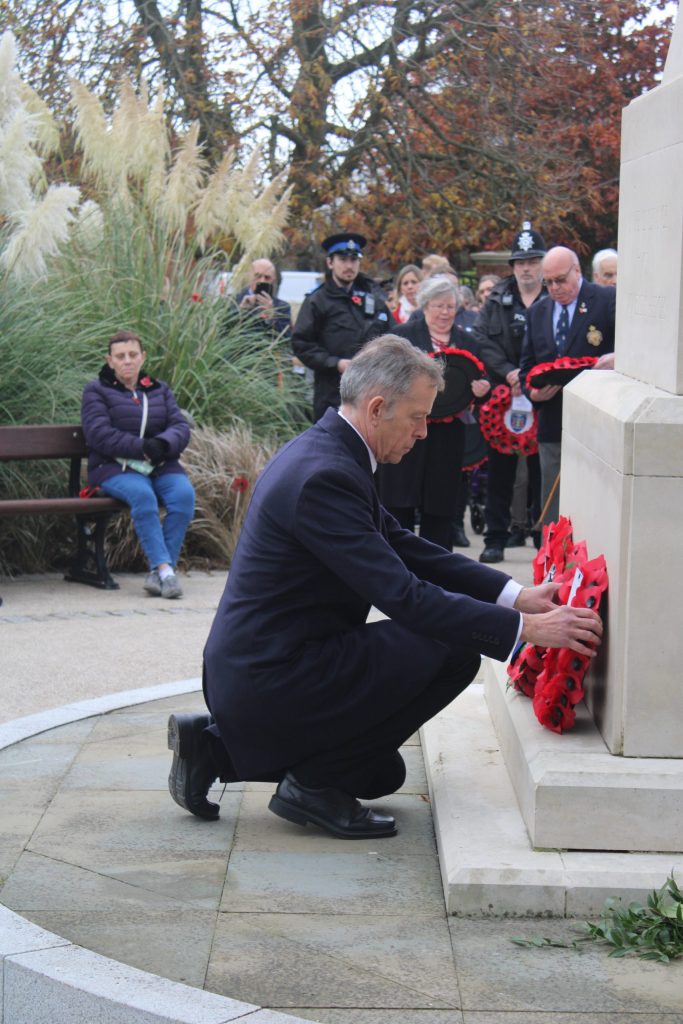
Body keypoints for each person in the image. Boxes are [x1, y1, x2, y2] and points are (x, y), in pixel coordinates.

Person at [166, 336, 603, 838]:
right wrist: (525, 629)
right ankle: (311, 784)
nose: (423, 432)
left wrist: (514, 595)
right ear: (377, 408)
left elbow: (404, 545)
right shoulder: (325, 476)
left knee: (380, 774)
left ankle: (215, 748)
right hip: (272, 675)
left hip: (275, 664)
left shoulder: (331, 450)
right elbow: (404, 596)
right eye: (418, 418)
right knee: (450, 649)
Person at [376, 277, 490, 551]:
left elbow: (481, 382)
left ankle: (438, 570)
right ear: (425, 306)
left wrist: (482, 388)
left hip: (448, 437)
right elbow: (385, 376)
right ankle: (397, 564)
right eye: (439, 305)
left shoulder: (468, 341)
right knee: (398, 502)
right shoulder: (403, 337)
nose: (445, 312)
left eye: (451, 306)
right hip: (404, 432)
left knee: (440, 506)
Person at [81, 331, 195, 599]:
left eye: (133, 355)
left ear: (142, 357)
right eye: (120, 357)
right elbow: (98, 434)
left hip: (160, 465)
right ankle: (166, 571)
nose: (127, 361)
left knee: (184, 495)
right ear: (110, 361)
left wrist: (163, 445)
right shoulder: (96, 390)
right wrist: (142, 447)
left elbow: (179, 426)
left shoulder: (159, 389)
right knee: (143, 495)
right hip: (113, 468)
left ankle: (158, 573)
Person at [519, 246, 616, 525]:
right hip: (553, 420)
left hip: (596, 422)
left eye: (560, 280)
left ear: (577, 270)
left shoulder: (605, 299)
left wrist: (613, 360)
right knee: (552, 503)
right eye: (547, 282)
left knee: (593, 504)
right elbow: (527, 365)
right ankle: (549, 564)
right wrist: (533, 392)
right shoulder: (538, 311)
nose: (554, 288)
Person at [475, 223, 546, 564]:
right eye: (521, 262)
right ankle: (495, 539)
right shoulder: (497, 299)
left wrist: (532, 376)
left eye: (533, 261)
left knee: (541, 472)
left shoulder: (553, 297)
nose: (527, 268)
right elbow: (483, 340)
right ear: (513, 266)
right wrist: (509, 372)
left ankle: (542, 537)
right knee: (500, 475)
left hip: (543, 394)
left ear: (542, 263)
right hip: (503, 399)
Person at [291, 232, 392, 420]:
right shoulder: (317, 301)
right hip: (332, 392)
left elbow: (391, 336)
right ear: (330, 263)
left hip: (370, 390)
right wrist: (335, 363)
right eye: (343, 259)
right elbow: (301, 344)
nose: (349, 265)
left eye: (354, 260)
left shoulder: (373, 298)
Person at [232, 258, 292, 339]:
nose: (262, 280)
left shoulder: (282, 307)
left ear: (273, 280)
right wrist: (240, 313)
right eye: (258, 276)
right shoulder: (233, 300)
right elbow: (225, 332)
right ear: (249, 276)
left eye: (267, 277)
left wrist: (272, 318)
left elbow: (286, 339)